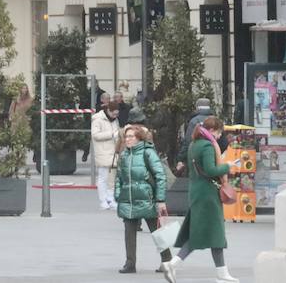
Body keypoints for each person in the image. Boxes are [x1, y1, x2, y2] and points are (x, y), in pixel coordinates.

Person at [170, 116, 236, 282]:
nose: (219, 136)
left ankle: (221, 272)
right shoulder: (207, 145)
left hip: (198, 192)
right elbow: (211, 169)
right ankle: (221, 274)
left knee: (204, 233)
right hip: (208, 194)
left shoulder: (194, 144)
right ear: (213, 130)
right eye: (219, 132)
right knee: (214, 233)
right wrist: (229, 166)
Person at [114, 124, 174, 276]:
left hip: (148, 198)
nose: (127, 139)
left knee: (157, 231)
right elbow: (119, 178)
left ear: (139, 138)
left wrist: (160, 199)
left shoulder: (148, 153)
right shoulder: (124, 155)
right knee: (129, 232)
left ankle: (167, 260)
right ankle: (130, 263)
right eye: (126, 136)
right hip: (129, 199)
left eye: (131, 136)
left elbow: (160, 176)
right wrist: (118, 194)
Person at [91, 94, 122, 211]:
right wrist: (111, 135)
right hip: (103, 152)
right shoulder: (98, 119)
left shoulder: (115, 120)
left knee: (112, 178)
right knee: (103, 177)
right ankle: (103, 200)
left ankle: (111, 199)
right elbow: (95, 135)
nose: (115, 116)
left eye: (117, 113)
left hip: (113, 152)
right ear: (108, 110)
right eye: (114, 113)